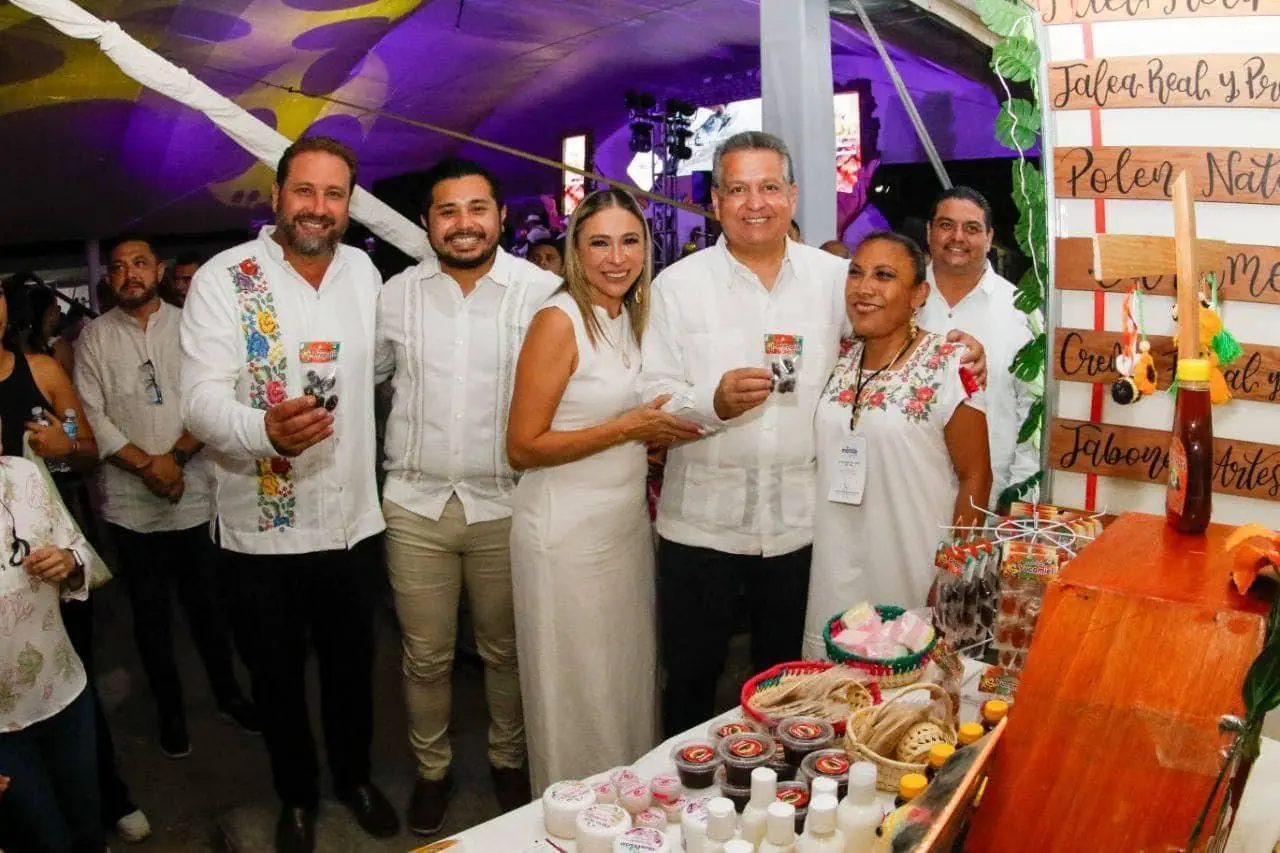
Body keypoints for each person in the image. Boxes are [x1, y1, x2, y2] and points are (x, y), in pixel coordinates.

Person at [640, 131, 987, 736]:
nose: (756, 203)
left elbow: (892, 333)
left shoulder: (836, 279)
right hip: (702, 525)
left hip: (803, 532)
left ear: (793, 195)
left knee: (796, 688)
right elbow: (653, 398)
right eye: (739, 188)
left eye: (770, 187)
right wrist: (711, 403)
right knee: (692, 679)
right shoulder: (677, 286)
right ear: (716, 199)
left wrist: (964, 350)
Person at [180, 136, 398, 853]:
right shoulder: (225, 277)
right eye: (304, 191)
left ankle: (355, 777)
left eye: (334, 195)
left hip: (351, 525)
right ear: (276, 196)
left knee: (350, 670)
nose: (318, 208)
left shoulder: (366, 273)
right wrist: (262, 427)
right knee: (276, 679)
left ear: (349, 205)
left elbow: (390, 367)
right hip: (261, 534)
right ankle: (297, 794)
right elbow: (199, 403)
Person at [375, 158, 559, 833]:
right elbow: (365, 377)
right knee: (424, 655)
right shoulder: (395, 295)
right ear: (427, 222)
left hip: (506, 502)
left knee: (505, 647)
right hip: (416, 504)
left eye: (477, 208)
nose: (463, 223)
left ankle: (510, 757)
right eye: (447, 211)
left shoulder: (542, 291)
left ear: (501, 217)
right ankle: (432, 771)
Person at [507, 188, 701, 793]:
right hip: (563, 535)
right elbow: (523, 446)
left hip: (621, 527)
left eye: (630, 241)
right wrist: (630, 428)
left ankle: (627, 804)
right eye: (599, 243)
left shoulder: (631, 318)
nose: (617, 258)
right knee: (576, 686)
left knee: (623, 675)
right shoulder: (558, 321)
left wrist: (658, 434)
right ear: (574, 251)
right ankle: (572, 810)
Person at [75, 235, 258, 761]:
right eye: (118, 267)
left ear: (158, 270)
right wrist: (147, 467)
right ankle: (171, 712)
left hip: (195, 492)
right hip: (131, 506)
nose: (129, 274)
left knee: (209, 610)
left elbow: (215, 398)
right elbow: (93, 417)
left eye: (139, 264)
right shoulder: (93, 339)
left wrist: (174, 461)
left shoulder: (191, 326)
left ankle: (228, 695)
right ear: (108, 279)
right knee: (150, 618)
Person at [0, 283, 150, 843]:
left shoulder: (39, 369)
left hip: (49, 537)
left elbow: (87, 449)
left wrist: (68, 450)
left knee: (70, 680)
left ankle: (105, 797)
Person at [802, 233, 992, 656]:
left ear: (918, 294)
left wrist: (951, 577)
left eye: (884, 276)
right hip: (836, 570)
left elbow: (975, 474)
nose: (864, 287)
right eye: (856, 273)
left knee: (907, 707)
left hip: (914, 567)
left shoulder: (949, 364)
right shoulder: (837, 358)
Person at [0, 448, 101, 853]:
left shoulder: (23, 474)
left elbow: (79, 552)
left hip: (64, 691)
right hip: (3, 731)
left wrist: (69, 564)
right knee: (44, 841)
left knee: (88, 828)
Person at [921, 187, 1037, 507]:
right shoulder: (901, 301)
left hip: (990, 500)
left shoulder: (1020, 312)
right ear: (928, 231)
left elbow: (1032, 414)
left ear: (989, 237)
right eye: (946, 225)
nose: (958, 236)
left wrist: (1021, 497)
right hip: (907, 495)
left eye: (971, 228)